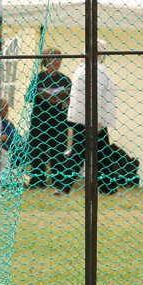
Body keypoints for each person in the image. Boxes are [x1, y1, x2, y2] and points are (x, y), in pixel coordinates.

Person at [52, 39, 118, 196]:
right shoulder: (97, 70)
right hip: (93, 119)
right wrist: (98, 122)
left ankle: (64, 187)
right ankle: (64, 187)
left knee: (93, 153)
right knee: (93, 154)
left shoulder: (81, 68)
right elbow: (95, 96)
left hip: (81, 118)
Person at [27, 48, 71, 189]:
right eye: (53, 58)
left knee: (58, 152)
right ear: (46, 60)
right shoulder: (39, 78)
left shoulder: (65, 79)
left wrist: (61, 99)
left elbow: (72, 99)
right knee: (38, 151)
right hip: (40, 121)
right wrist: (44, 96)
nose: (57, 61)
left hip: (58, 121)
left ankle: (58, 182)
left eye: (59, 58)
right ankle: (37, 181)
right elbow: (28, 97)